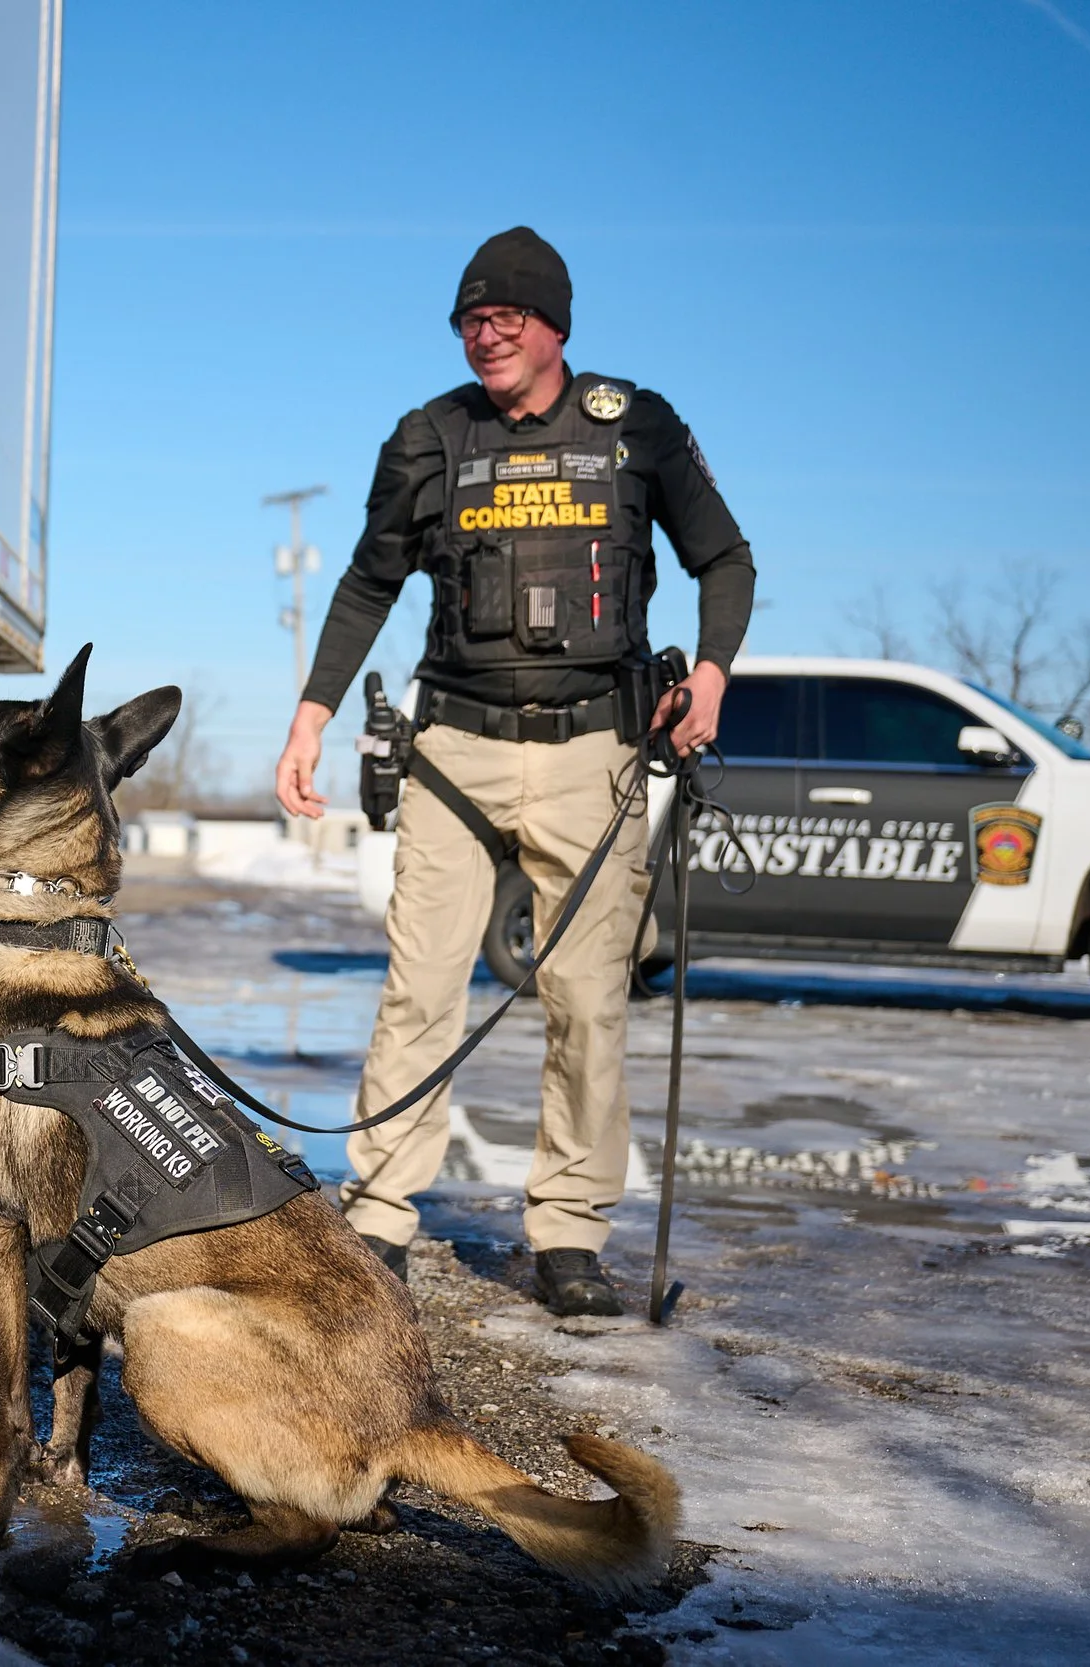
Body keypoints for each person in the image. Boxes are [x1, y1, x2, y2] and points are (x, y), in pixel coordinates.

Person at [274, 226, 755, 1317]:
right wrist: (308, 718)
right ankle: (382, 1218)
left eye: (505, 319)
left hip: (596, 752)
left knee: (587, 1001)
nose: (484, 336)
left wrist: (714, 675)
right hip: (454, 751)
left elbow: (724, 556)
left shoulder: (635, 425)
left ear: (555, 327)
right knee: (418, 990)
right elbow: (363, 587)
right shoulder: (428, 438)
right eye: (468, 321)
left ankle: (569, 1234)